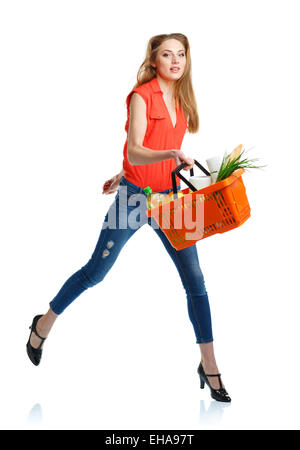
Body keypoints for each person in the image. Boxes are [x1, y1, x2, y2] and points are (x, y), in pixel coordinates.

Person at [26, 33, 231, 403]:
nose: (175, 60)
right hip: (135, 200)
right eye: (167, 54)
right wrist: (137, 170)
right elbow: (137, 151)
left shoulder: (183, 98)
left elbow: (147, 151)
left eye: (181, 54)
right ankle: (43, 324)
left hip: (171, 201)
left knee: (195, 282)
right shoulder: (141, 96)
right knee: (95, 272)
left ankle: (210, 365)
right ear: (154, 61)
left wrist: (128, 169)